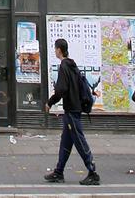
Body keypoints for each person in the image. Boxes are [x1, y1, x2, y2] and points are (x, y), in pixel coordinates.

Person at [44, 38, 100, 186]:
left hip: (72, 110)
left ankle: (92, 172)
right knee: (66, 143)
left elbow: (61, 89)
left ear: (59, 50)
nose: (55, 51)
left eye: (55, 48)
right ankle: (58, 172)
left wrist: (50, 102)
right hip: (74, 108)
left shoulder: (64, 66)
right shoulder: (72, 65)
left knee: (80, 141)